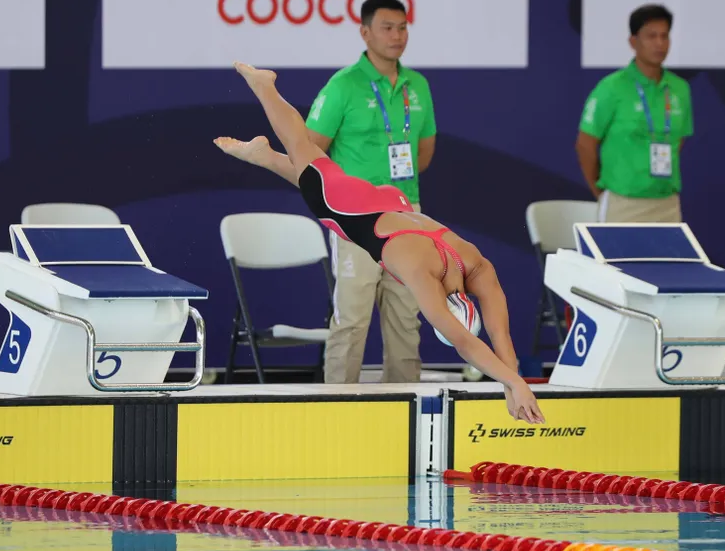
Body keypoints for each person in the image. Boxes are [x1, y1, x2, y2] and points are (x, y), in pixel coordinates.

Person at [215, 62, 544, 425]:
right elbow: (467, 344)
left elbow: (500, 334)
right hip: (353, 210)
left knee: (317, 178)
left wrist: (513, 384)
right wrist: (514, 383)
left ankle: (263, 156)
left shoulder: (477, 265)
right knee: (302, 147)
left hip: (393, 202)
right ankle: (265, 87)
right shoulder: (423, 275)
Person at [305, 0, 437, 385]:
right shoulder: (344, 85)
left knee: (406, 316)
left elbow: (424, 151)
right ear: (365, 33)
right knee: (352, 316)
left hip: (407, 213)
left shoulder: (418, 85)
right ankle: (337, 405)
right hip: (356, 216)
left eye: (403, 27)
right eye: (387, 28)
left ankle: (405, 404)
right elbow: (310, 150)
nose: (397, 36)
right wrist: (344, 195)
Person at [576, 4, 694, 222]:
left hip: (667, 203)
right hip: (623, 202)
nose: (659, 43)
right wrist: (602, 192)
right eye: (651, 36)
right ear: (633, 42)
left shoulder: (680, 89)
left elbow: (678, 141)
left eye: (664, 36)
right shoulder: (612, 88)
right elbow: (585, 144)